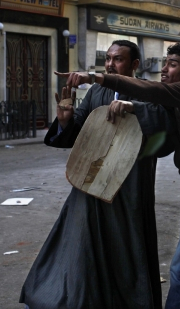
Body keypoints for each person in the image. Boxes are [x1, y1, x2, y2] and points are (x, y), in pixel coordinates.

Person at [57, 42, 180, 309]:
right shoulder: (171, 98)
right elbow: (82, 128)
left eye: (172, 64)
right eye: (165, 63)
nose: (164, 69)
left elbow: (151, 98)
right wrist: (66, 120)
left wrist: (98, 79)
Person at [20, 41, 171, 309]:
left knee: (125, 248)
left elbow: (164, 134)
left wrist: (134, 108)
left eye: (118, 59)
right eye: (108, 58)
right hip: (90, 181)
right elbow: (78, 129)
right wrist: (66, 119)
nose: (111, 64)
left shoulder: (149, 92)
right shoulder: (97, 92)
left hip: (130, 186)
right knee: (81, 243)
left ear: (135, 65)